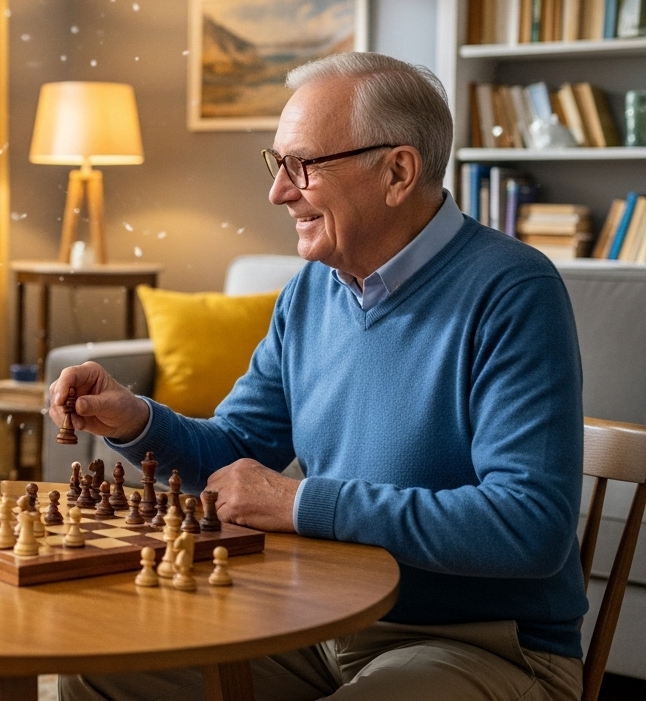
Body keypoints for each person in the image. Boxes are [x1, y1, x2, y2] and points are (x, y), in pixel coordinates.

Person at [51, 52, 586, 701]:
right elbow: (238, 451)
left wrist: (303, 503)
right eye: (278, 165)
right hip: (324, 620)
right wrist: (135, 418)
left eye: (301, 166)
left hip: (484, 644)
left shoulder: (513, 290)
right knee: (95, 673)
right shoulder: (310, 292)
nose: (279, 192)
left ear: (397, 171)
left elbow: (530, 526)